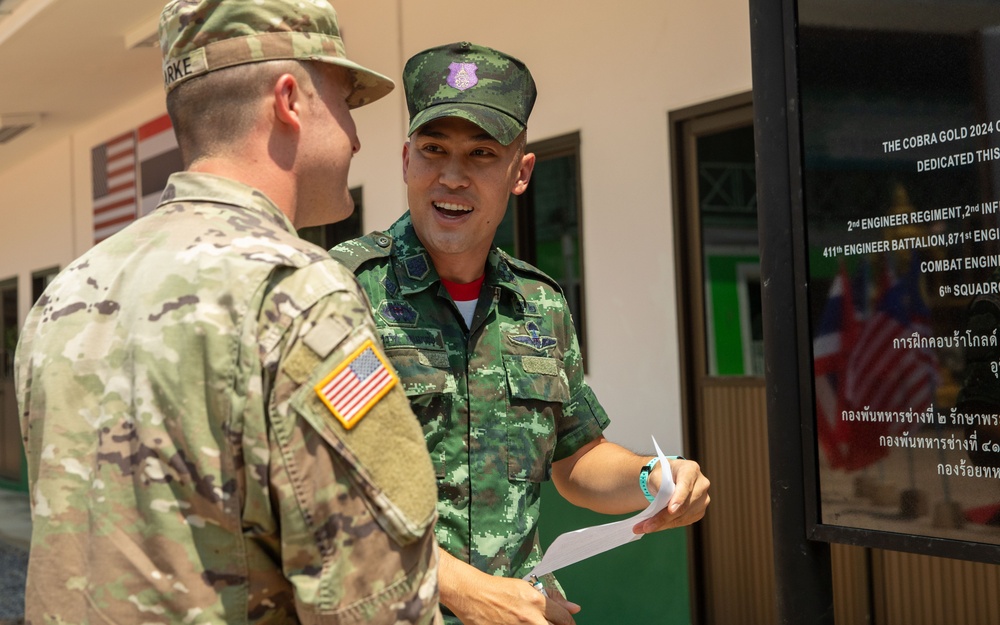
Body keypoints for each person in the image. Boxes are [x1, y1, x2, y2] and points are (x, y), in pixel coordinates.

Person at [14, 1, 442, 623]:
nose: (355, 135)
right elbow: (376, 602)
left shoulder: (67, 294)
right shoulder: (295, 292)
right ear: (290, 101)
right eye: (346, 102)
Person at [329, 42, 711, 625]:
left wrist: (652, 479)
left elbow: (576, 458)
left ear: (520, 172)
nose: (452, 177)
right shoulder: (342, 292)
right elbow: (323, 484)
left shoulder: (538, 304)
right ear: (406, 160)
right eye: (434, 150)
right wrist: (462, 590)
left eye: (482, 154)